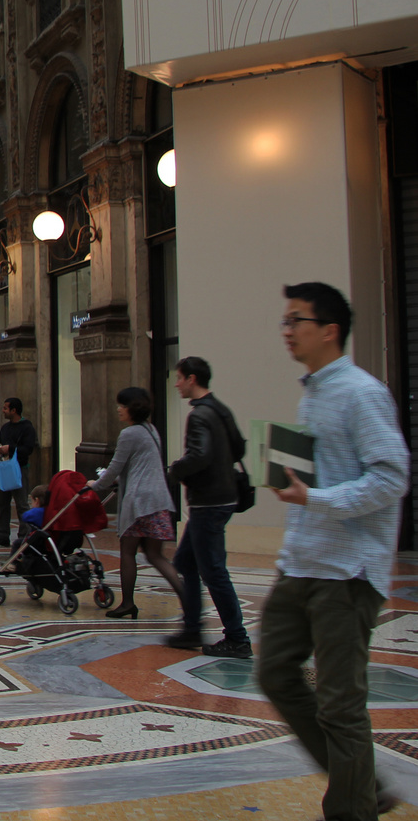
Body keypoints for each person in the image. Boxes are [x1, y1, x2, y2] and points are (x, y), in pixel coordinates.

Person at [258, 282, 409, 821]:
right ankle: (362, 786)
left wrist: (314, 496)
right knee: (274, 671)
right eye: (285, 320)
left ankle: (353, 808)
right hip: (303, 562)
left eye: (295, 320)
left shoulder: (361, 392)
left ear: (329, 330)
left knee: (343, 706)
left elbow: (392, 477)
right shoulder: (315, 392)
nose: (287, 330)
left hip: (346, 572)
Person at [166, 356, 250, 656]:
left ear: (191, 379)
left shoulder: (200, 415)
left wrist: (175, 470)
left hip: (208, 502)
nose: (176, 383)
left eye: (179, 377)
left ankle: (237, 637)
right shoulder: (220, 408)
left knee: (213, 570)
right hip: (223, 498)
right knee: (187, 563)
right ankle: (191, 628)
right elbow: (239, 447)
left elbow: (199, 455)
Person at [87, 386, 183, 619]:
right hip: (158, 500)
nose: (119, 410)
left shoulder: (128, 434)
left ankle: (128, 603)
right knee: (155, 555)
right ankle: (187, 596)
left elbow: (115, 468)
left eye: (122, 406)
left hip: (139, 502)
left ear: (132, 408)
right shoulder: (151, 430)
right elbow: (138, 466)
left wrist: (96, 485)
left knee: (127, 552)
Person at [0, 397, 37, 547]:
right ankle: (2, 535)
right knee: (1, 502)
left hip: (19, 469)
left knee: (21, 504)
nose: (3, 411)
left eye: (5, 408)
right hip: (4, 469)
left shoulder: (27, 427)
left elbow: (28, 449)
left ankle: (24, 535)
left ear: (14, 410)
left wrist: (11, 449)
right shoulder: (5, 428)